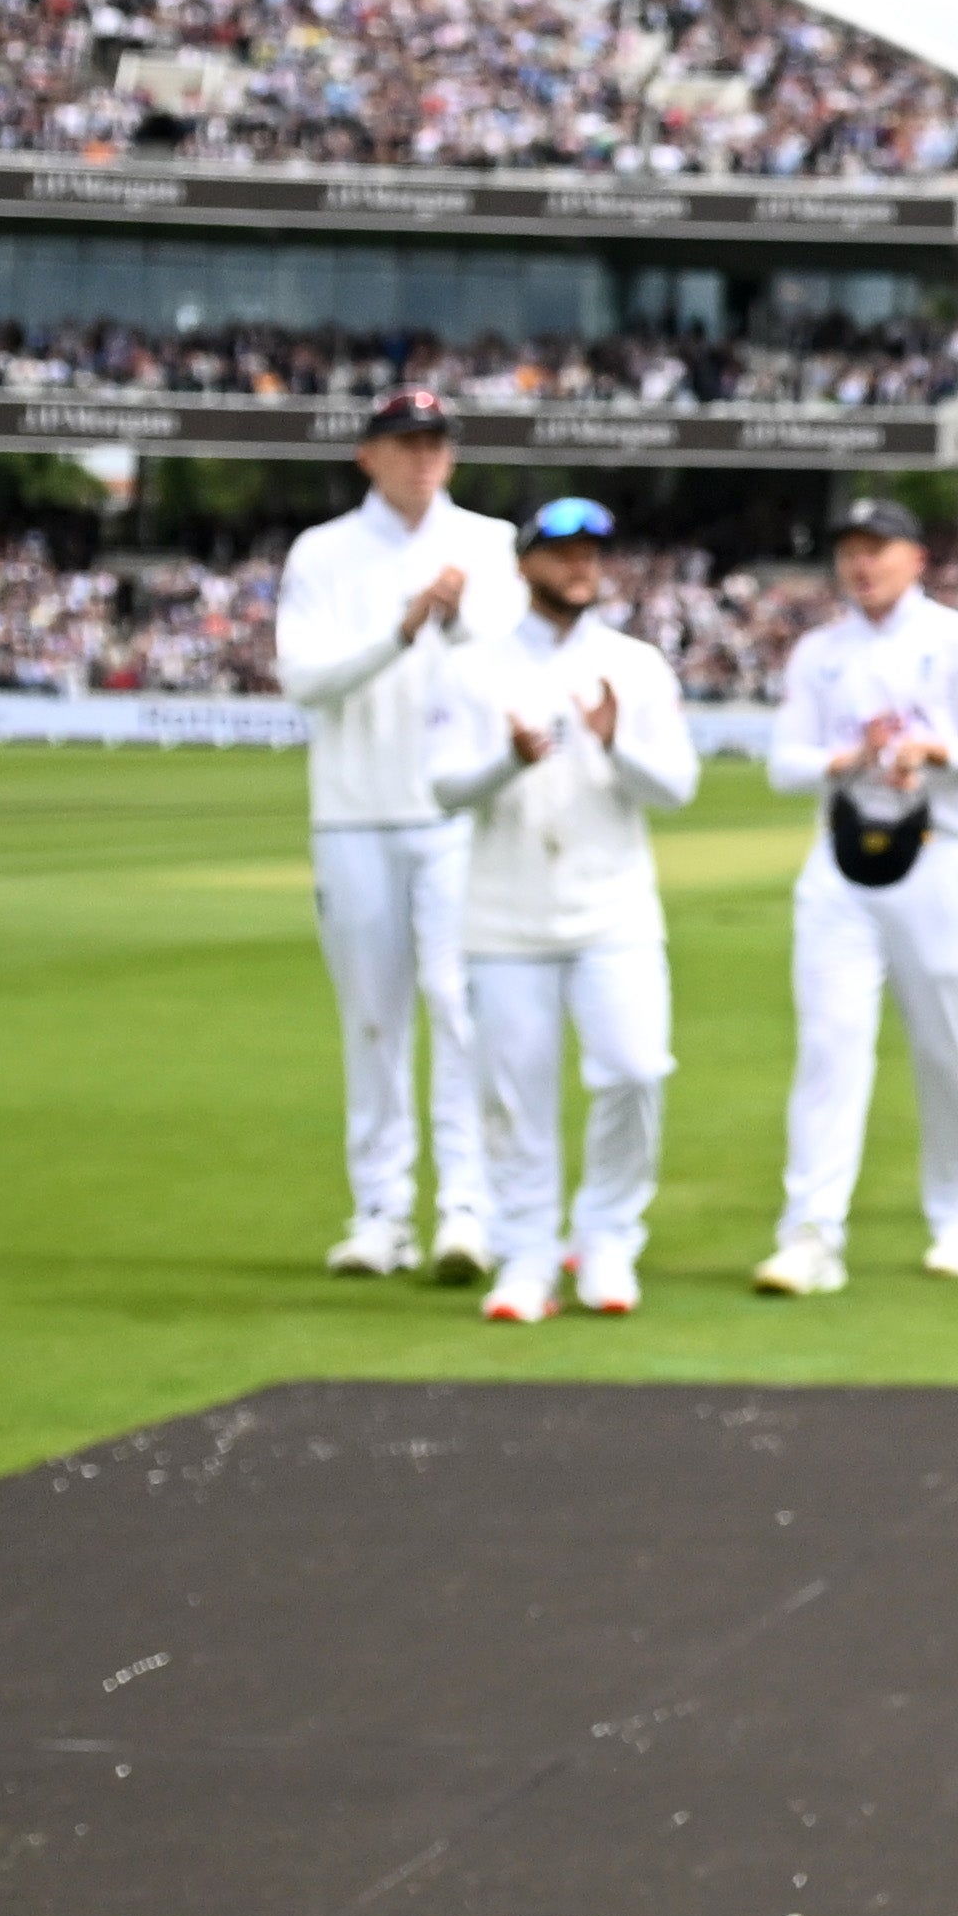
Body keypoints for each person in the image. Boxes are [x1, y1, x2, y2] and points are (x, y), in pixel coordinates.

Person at [267, 386, 524, 1277]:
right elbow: (304, 679)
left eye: (436, 443)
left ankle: (466, 1207)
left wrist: (452, 621)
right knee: (372, 1018)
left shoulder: (488, 544)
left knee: (459, 1008)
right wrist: (400, 627)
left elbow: (507, 660)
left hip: (453, 811)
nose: (424, 458)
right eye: (406, 442)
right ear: (367, 455)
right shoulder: (324, 552)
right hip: (353, 809)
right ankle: (381, 1211)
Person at [426, 495, 696, 1323]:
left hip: (613, 909)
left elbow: (677, 787)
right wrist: (507, 761)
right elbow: (443, 786)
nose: (581, 565)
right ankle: (528, 1253)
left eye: (592, 551)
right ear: (526, 562)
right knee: (514, 1094)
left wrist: (617, 741)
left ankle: (608, 1237)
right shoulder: (474, 666)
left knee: (635, 1067)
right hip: (505, 916)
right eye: (563, 550)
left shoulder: (637, 664)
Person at [750, 496, 958, 1296]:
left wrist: (934, 750)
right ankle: (809, 1231)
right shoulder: (820, 651)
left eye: (879, 548)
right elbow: (783, 765)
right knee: (830, 1045)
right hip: (840, 860)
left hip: (941, 855)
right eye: (851, 550)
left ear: (916, 557)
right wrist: (846, 759)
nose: (862, 564)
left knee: (946, 1046)